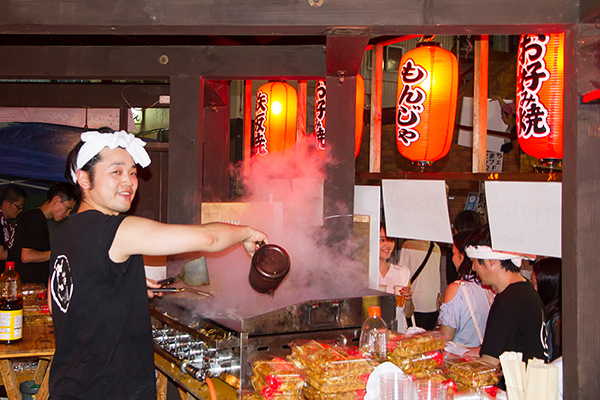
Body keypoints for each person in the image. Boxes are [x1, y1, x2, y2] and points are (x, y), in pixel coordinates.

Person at [49, 129, 268, 400]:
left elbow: (59, 301)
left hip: (72, 384)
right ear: (84, 178)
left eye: (132, 172)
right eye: (115, 172)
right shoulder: (112, 230)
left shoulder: (68, 232)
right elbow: (207, 238)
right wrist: (246, 233)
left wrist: (120, 288)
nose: (128, 181)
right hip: (108, 389)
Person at [464, 223, 547, 368]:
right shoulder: (525, 288)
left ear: (491, 261)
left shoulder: (509, 301)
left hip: (515, 388)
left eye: (474, 262)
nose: (473, 268)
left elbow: (488, 365)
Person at [7, 182, 79, 284]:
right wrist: (57, 252)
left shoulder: (33, 217)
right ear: (56, 200)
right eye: (68, 208)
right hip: (26, 288)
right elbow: (26, 256)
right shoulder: (35, 218)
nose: (67, 214)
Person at [438, 230, 494, 347]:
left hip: (460, 360)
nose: (452, 258)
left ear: (463, 256)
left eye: (453, 253)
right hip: (483, 358)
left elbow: (444, 339)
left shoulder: (456, 289)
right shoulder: (490, 286)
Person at [399, 239, 441, 331]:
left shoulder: (408, 245)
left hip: (416, 304)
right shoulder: (436, 247)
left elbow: (401, 274)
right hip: (434, 304)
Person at [378, 224, 413, 333]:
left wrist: (408, 300)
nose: (387, 245)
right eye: (382, 240)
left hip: (398, 336)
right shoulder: (363, 273)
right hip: (373, 335)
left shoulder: (402, 272)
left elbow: (408, 313)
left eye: (391, 240)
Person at [532, 257, 562, 361]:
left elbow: (556, 358)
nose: (533, 288)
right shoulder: (547, 311)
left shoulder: (557, 319)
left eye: (535, 284)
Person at [0, 184, 27, 269]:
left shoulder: (7, 223)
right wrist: (24, 254)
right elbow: (1, 254)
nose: (21, 210)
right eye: (18, 207)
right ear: (6, 203)